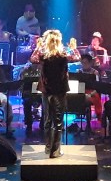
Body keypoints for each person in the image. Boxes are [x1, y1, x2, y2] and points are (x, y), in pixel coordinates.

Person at [29, 29, 80, 158]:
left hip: (46, 90)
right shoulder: (63, 56)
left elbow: (32, 59)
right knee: (58, 120)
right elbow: (77, 58)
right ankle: (55, 150)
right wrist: (74, 48)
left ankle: (48, 147)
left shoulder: (43, 56)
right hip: (60, 90)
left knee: (47, 119)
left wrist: (38, 47)